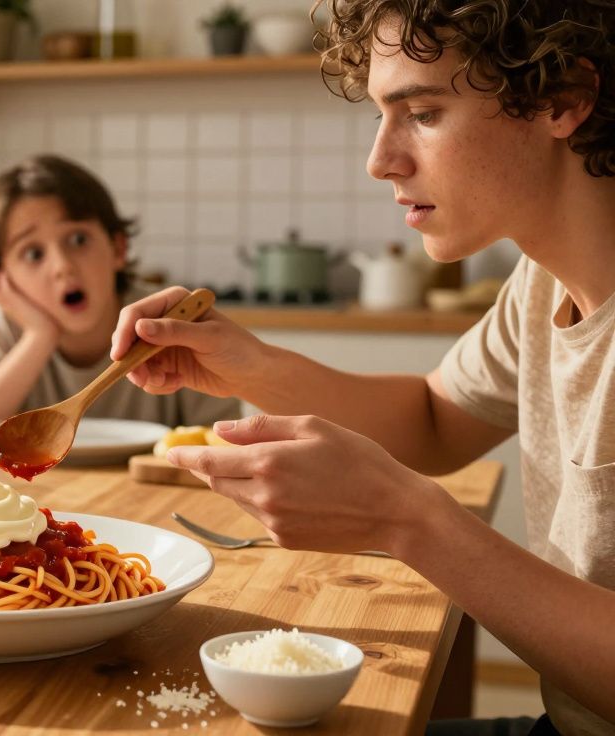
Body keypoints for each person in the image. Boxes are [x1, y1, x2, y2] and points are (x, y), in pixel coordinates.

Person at [111, 1, 615, 733]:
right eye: (383, 116)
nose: (380, 161)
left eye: (424, 113)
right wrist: (249, 365)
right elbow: (435, 421)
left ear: (563, 100)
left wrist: (408, 520)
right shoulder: (542, 282)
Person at [0, 154, 239, 443]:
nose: (62, 266)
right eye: (33, 254)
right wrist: (39, 336)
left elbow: (227, 439)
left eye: (78, 240)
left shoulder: (170, 320)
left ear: (118, 249)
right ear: (3, 276)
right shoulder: (3, 319)